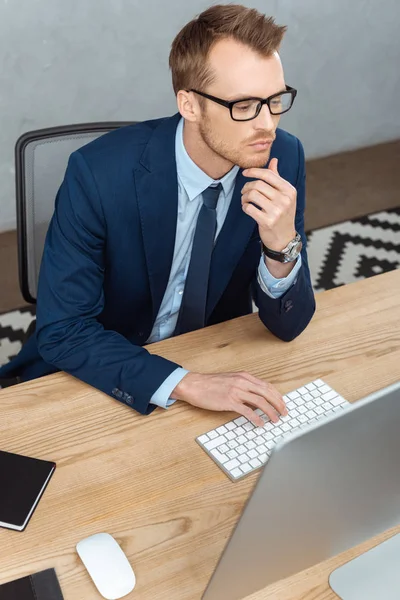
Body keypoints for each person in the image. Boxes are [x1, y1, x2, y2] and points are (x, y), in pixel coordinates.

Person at [0, 4, 315, 426]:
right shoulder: (96, 175)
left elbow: (289, 326)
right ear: (189, 104)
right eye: (244, 106)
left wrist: (281, 247)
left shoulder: (283, 156)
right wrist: (183, 382)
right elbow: (64, 330)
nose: (268, 124)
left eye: (275, 100)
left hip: (213, 355)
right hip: (103, 370)